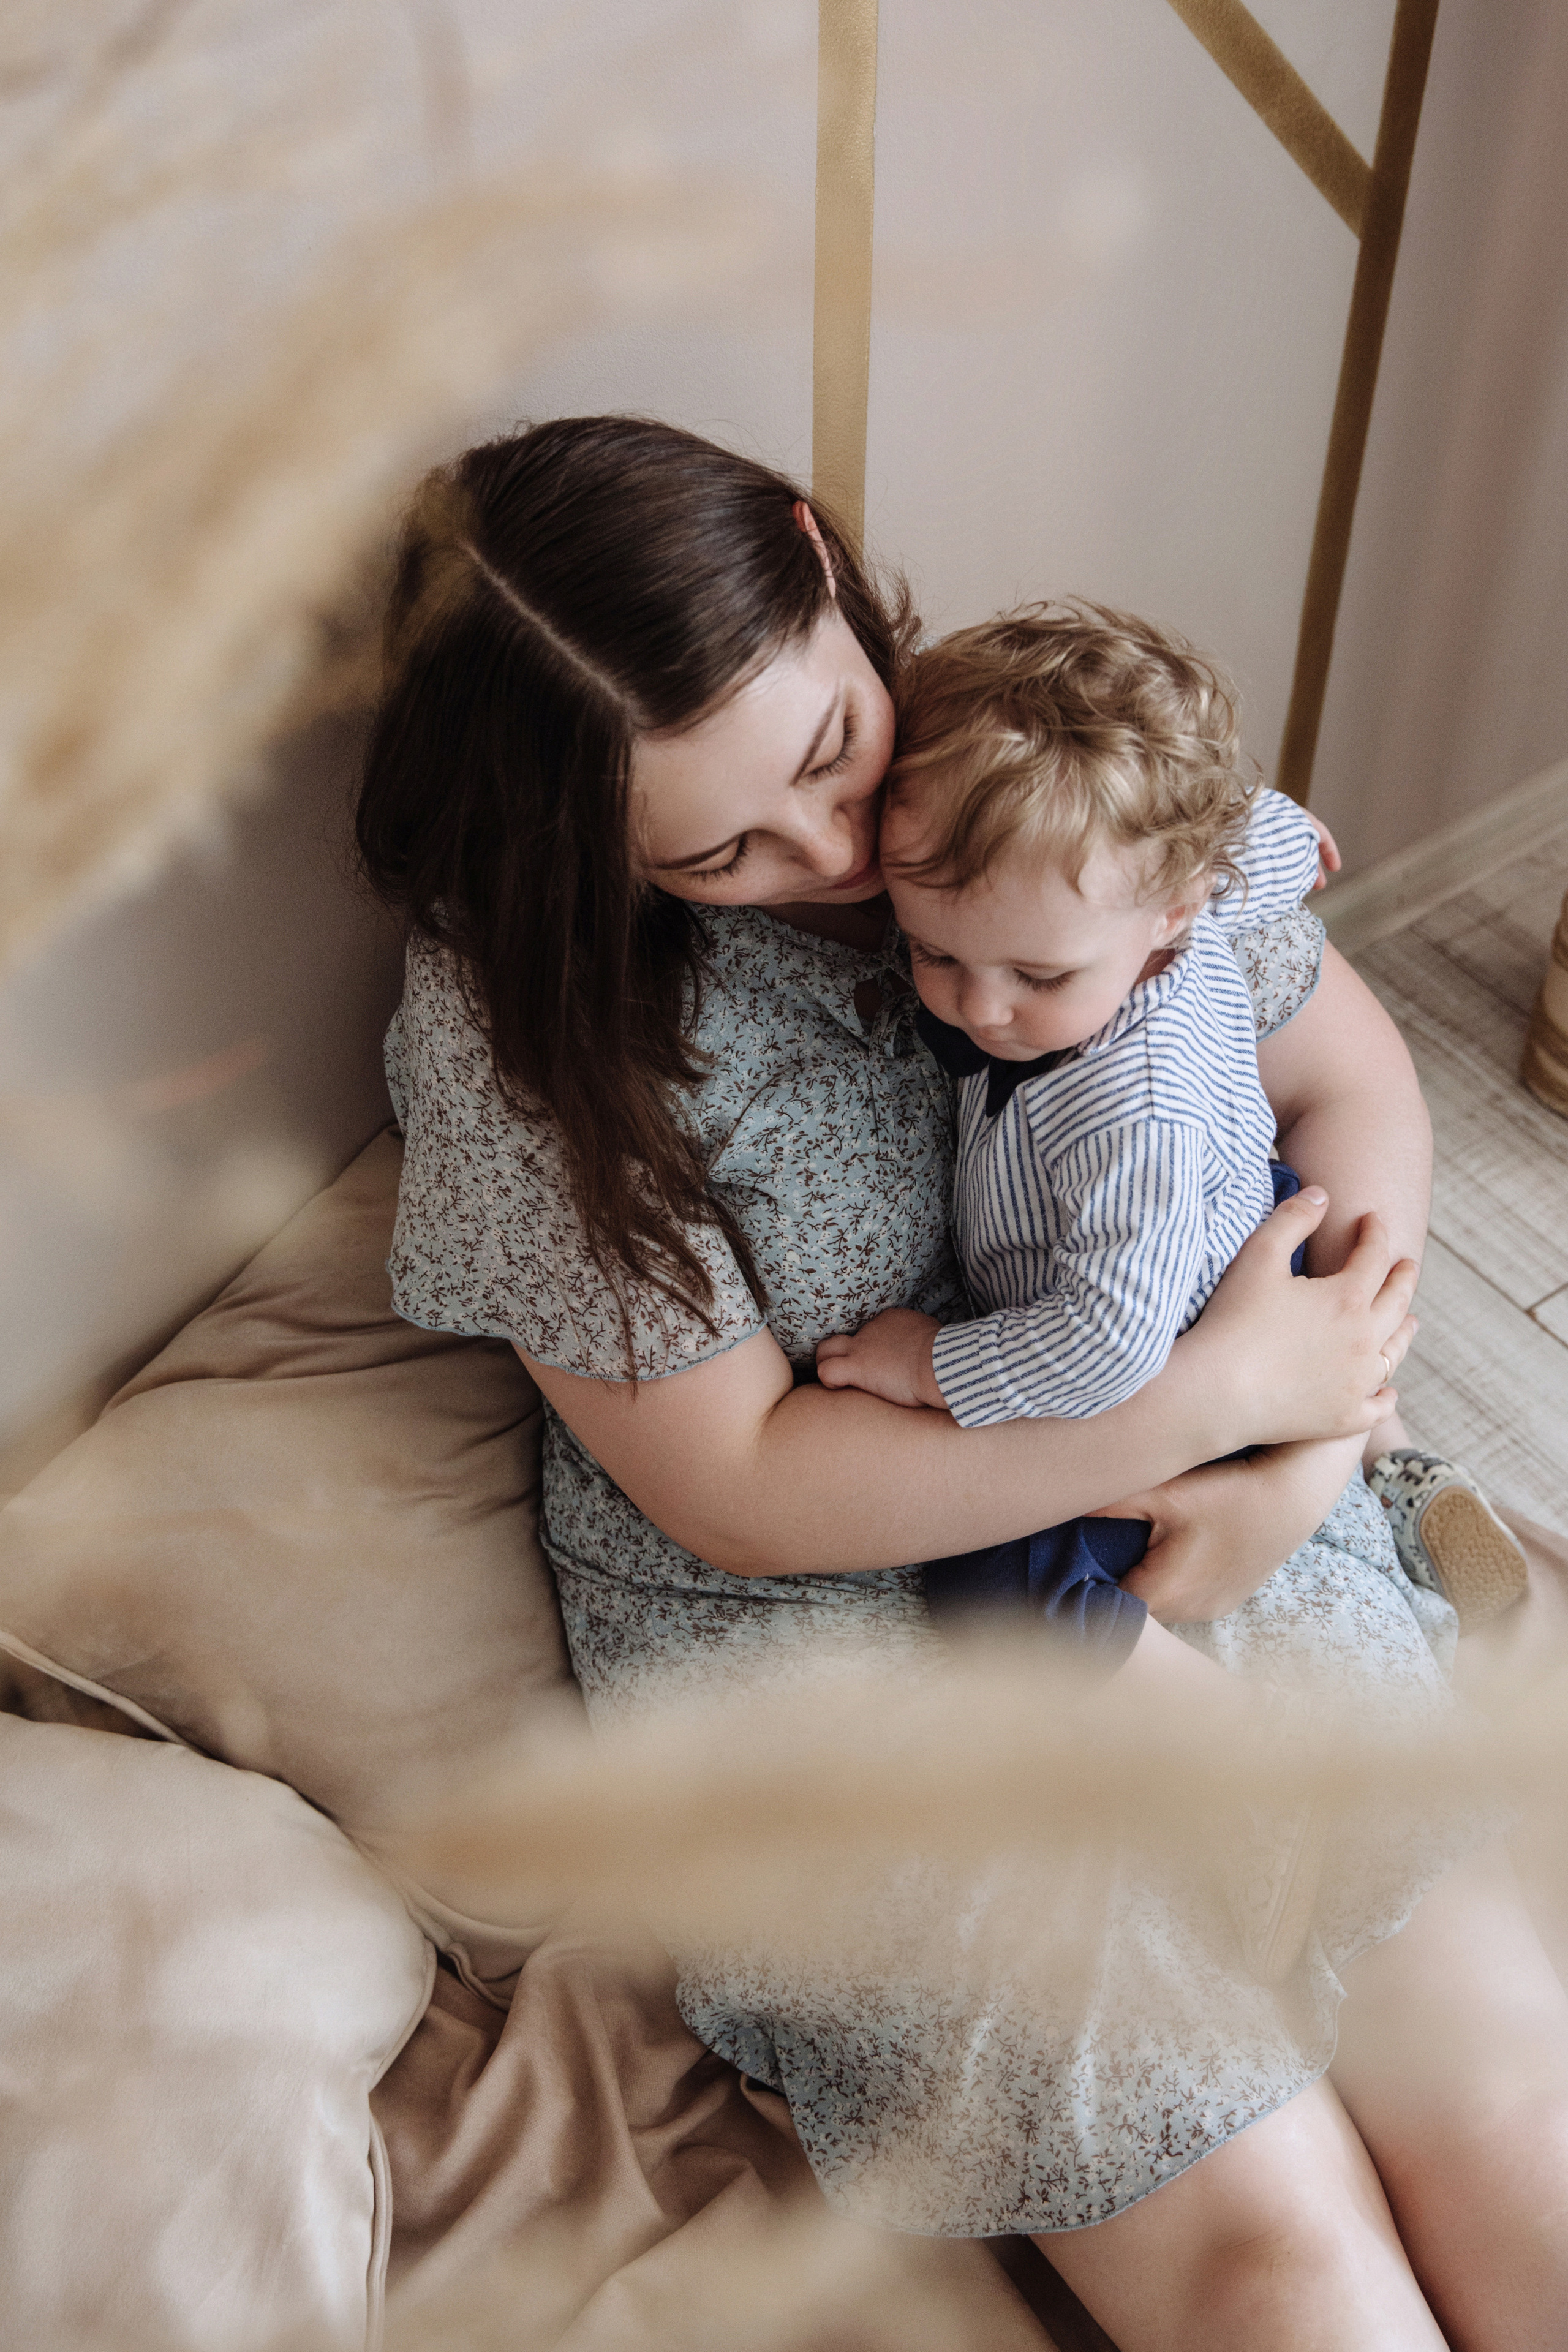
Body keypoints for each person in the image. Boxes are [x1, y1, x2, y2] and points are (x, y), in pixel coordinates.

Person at [357, 413, 1568, 2350]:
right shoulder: (530, 1043)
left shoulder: (1019, 759)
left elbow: (1345, 1075)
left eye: (831, 756)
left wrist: (1319, 1396)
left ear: (825, 571)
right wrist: (1196, 1412)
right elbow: (738, 1480)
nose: (838, 856)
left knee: (1511, 2117)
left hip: (1185, 1482)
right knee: (1288, 2267)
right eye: (720, 851)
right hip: (831, 1620)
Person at [815, 603, 1499, 1675]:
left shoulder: (1130, 1110)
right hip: (1230, 1199)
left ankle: (1190, 1719)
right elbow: (1259, 841)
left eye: (1038, 976)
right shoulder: (1179, 876)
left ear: (1172, 911)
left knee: (987, 1581)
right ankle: (1390, 1461)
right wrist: (1296, 829)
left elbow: (1108, 1341)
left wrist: (930, 1366)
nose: (980, 1008)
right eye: (934, 952)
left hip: (1165, 1312)